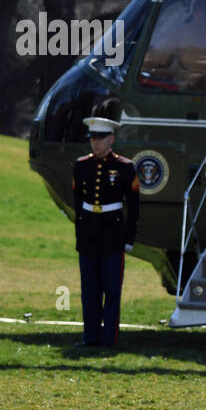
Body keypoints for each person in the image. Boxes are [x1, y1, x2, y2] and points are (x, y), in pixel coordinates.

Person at [71, 107, 140, 348]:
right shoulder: (81, 166)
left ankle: (108, 337)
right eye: (92, 138)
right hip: (89, 231)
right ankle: (90, 336)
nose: (95, 143)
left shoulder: (124, 167)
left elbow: (133, 206)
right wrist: (79, 231)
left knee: (111, 289)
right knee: (89, 289)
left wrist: (129, 237)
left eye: (100, 138)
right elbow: (78, 201)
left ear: (111, 139)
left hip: (113, 233)